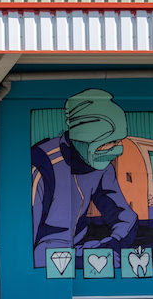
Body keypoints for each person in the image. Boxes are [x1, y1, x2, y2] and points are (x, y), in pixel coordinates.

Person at [32, 88, 138, 266]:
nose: (117, 148)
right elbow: (25, 240)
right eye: (110, 142)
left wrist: (113, 244)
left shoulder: (101, 165)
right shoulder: (42, 165)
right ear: (87, 137)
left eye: (119, 141)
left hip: (80, 251)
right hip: (47, 260)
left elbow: (125, 216)